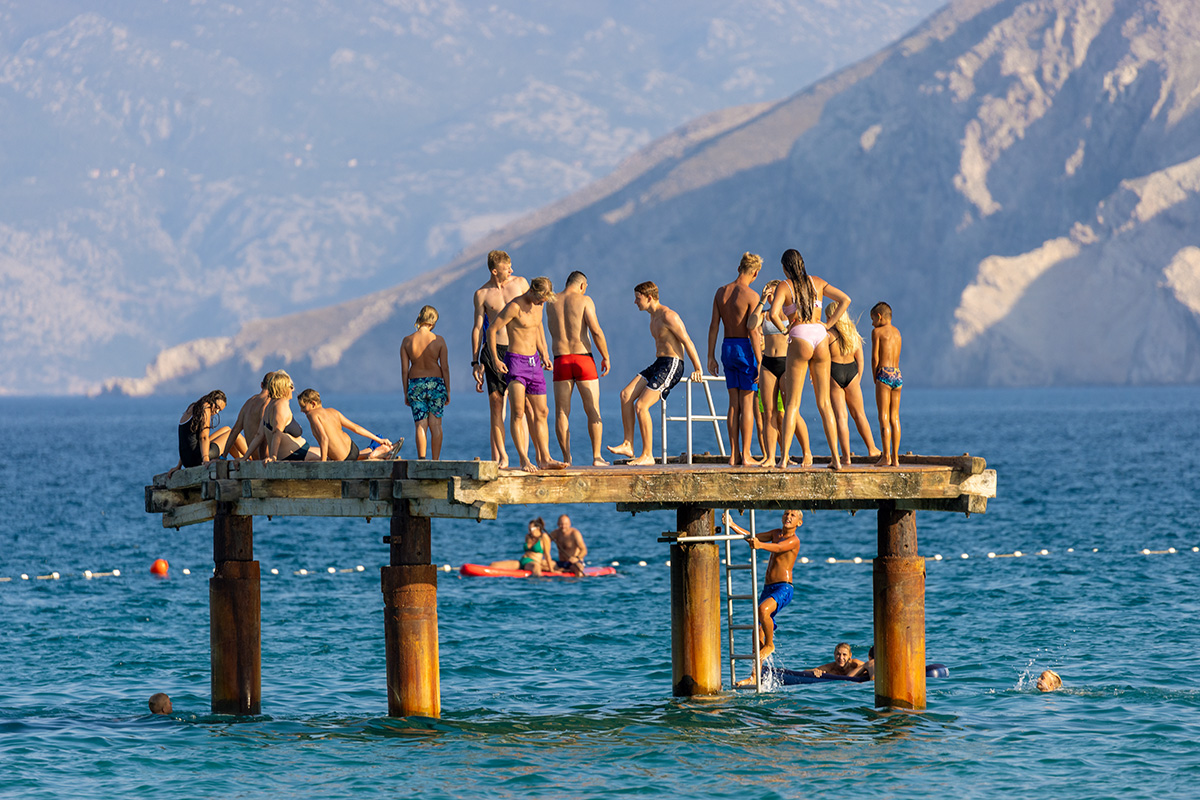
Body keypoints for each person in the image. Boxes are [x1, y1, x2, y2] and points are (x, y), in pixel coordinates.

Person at [767, 249, 851, 471]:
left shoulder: (784, 286)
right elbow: (845, 299)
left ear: (785, 267)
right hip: (820, 336)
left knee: (793, 403)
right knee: (824, 403)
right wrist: (828, 323)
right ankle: (836, 459)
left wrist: (785, 330)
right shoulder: (817, 282)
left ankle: (784, 460)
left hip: (800, 334)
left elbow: (774, 314)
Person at [607, 281, 705, 466]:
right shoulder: (652, 318)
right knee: (625, 395)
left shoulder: (669, 316)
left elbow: (687, 341)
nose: (635, 302)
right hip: (659, 363)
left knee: (641, 406)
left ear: (649, 298)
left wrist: (698, 368)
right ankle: (628, 444)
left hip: (673, 365)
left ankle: (647, 455)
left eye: (638, 298)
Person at [488, 277, 565, 473]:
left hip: (535, 363)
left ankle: (545, 458)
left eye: (545, 300)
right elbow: (492, 329)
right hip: (516, 363)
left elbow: (537, 328)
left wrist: (545, 353)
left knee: (543, 412)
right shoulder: (515, 307)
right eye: (540, 298)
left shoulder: (539, 306)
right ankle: (524, 459)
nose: (542, 302)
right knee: (518, 412)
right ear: (532, 290)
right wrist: (496, 359)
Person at [471, 250, 530, 468]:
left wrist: (540, 350)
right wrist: (475, 361)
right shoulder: (482, 294)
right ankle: (503, 457)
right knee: (496, 405)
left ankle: (525, 457)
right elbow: (477, 328)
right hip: (493, 352)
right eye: (507, 268)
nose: (512, 271)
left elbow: (535, 317)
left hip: (518, 350)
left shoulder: (521, 284)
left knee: (523, 407)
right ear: (495, 271)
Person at [546, 270, 611, 467]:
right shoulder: (585, 301)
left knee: (561, 412)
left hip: (561, 360)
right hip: (583, 359)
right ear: (582, 286)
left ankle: (567, 458)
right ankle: (597, 457)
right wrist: (606, 356)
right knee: (593, 410)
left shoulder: (551, 302)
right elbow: (596, 331)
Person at [707, 252, 763, 466]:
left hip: (726, 347)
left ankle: (734, 455)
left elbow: (714, 326)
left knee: (733, 404)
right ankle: (747, 455)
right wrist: (759, 362)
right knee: (747, 403)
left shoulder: (721, 292)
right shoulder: (751, 295)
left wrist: (710, 356)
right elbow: (754, 333)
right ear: (755, 273)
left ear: (739, 268)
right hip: (744, 348)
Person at [729, 510, 802, 664]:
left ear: (799, 523)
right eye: (786, 513)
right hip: (768, 588)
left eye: (792, 515)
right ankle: (756, 674)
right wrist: (732, 524)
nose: (788, 516)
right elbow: (752, 537)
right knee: (757, 630)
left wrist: (760, 545)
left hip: (784, 588)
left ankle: (770, 644)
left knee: (763, 611)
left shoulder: (794, 540)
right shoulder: (775, 533)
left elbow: (779, 548)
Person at [756, 279, 811, 467]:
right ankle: (772, 457)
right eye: (769, 294)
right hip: (768, 363)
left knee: (791, 409)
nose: (772, 297)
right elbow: (750, 324)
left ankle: (807, 452)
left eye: (773, 294)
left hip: (787, 363)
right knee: (768, 412)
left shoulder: (791, 313)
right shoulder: (764, 315)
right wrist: (762, 300)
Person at [826, 302, 881, 464]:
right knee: (859, 414)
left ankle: (846, 457)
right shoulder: (853, 333)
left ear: (832, 317)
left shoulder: (828, 335)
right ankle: (872, 448)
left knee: (841, 417)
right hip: (852, 373)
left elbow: (822, 360)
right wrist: (857, 378)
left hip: (834, 373)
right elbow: (860, 359)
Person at [401, 304, 450, 460]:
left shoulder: (407, 341)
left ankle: (421, 460)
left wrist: (405, 392)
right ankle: (435, 461)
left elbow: (404, 370)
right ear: (432, 321)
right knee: (436, 425)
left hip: (415, 385)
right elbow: (445, 368)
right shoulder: (439, 340)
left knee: (420, 425)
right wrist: (448, 390)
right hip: (436, 384)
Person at [242, 370, 321, 462]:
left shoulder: (269, 406)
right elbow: (277, 432)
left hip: (296, 453)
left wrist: (245, 457)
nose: (293, 389)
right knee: (331, 456)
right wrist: (273, 457)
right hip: (295, 454)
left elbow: (259, 435)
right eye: (290, 386)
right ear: (283, 388)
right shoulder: (281, 404)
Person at [297, 389, 393, 461]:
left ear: (313, 404)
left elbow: (324, 439)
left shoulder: (312, 414)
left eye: (303, 407)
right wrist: (380, 440)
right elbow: (356, 428)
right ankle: (375, 451)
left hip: (343, 458)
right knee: (354, 456)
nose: (302, 410)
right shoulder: (333, 411)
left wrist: (323, 463)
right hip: (353, 448)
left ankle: (374, 453)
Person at [168, 390, 242, 476]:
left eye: (220, 410)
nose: (216, 412)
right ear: (211, 400)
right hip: (197, 458)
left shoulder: (194, 407)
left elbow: (187, 442)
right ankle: (249, 459)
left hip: (187, 459)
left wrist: (179, 466)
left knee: (227, 429)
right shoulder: (206, 408)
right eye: (217, 407)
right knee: (232, 434)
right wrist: (206, 459)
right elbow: (203, 437)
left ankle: (241, 459)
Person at [870, 301, 904, 467]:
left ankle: (886, 457)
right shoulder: (897, 333)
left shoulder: (877, 332)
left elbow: (875, 357)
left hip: (884, 373)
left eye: (872, 319)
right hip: (897, 374)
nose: (872, 323)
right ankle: (896, 458)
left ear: (879, 316)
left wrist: (875, 375)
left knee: (883, 417)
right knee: (895, 417)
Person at [223, 373, 274, 459]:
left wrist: (223, 456)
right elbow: (263, 434)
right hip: (265, 461)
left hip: (254, 458)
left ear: (261, 385)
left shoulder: (249, 403)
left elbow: (234, 431)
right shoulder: (268, 402)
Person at [489, 517, 555, 576]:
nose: (530, 531)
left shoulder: (544, 537)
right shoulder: (528, 537)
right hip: (522, 561)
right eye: (529, 529)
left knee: (536, 567)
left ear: (538, 528)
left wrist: (551, 570)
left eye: (531, 529)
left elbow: (547, 555)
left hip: (533, 563)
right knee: (493, 565)